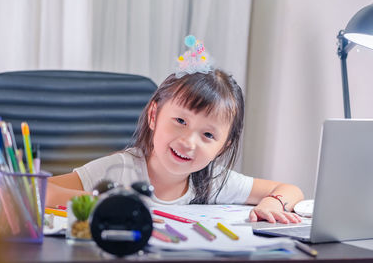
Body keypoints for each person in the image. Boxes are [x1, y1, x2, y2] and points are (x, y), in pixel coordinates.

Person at [46, 36, 304, 224]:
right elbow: (38, 192)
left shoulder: (213, 180)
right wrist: (104, 203)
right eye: (180, 121)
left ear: (223, 146)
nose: (189, 142)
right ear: (154, 116)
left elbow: (290, 189)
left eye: (208, 135)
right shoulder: (120, 168)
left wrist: (272, 203)